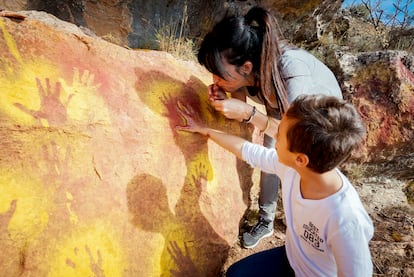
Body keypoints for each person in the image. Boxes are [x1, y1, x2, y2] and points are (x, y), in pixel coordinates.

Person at [175, 94, 374, 276]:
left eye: (280, 134)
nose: (274, 137)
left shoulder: (346, 220)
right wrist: (206, 131)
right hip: (293, 258)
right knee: (236, 274)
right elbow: (248, 151)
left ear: (300, 159)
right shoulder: (296, 168)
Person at [197, 6, 343, 248]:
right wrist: (226, 96)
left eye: (219, 74)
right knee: (272, 158)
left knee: (301, 161)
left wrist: (249, 113)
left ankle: (316, 230)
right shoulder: (250, 67)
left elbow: (297, 136)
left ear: (245, 67)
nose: (215, 79)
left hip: (323, 117)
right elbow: (242, 106)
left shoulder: (292, 71)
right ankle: (266, 221)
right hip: (281, 105)